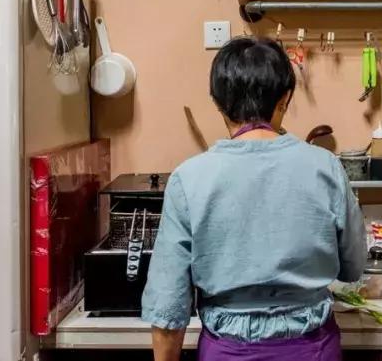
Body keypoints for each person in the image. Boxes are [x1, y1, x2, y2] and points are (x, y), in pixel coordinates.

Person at [141, 36, 366, 361]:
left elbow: (168, 307)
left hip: (227, 352)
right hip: (312, 350)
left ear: (218, 103)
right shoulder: (326, 167)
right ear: (284, 99)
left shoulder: (188, 179)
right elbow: (353, 268)